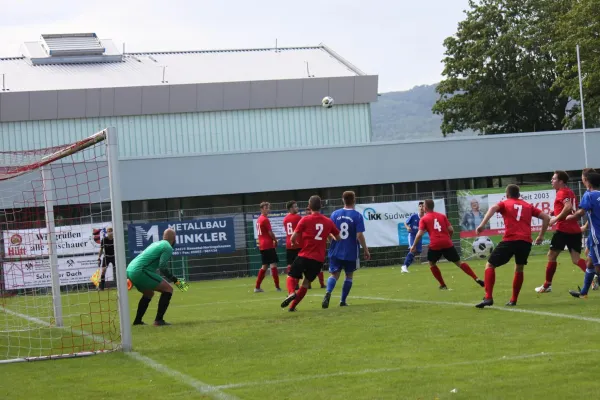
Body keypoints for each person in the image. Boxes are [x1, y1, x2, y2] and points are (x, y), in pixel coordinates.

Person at [474, 184, 550, 308]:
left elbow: (493, 208)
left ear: (507, 195)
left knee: (490, 264)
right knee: (519, 268)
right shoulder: (528, 205)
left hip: (510, 239)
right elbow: (546, 218)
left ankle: (488, 297)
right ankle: (513, 299)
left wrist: (482, 225)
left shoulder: (505, 203)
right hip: (525, 241)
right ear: (519, 195)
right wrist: (541, 236)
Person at [281, 196, 341, 312]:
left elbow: (293, 238)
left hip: (304, 255)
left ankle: (291, 292)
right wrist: (328, 236)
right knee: (306, 283)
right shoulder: (328, 221)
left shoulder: (304, 220)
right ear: (321, 206)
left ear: (309, 206)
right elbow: (337, 238)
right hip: (318, 259)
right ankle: (292, 307)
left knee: (291, 276)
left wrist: (295, 242)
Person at [410, 199, 484, 290]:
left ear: (425, 208)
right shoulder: (442, 216)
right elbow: (451, 229)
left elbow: (419, 234)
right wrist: (448, 239)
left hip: (435, 244)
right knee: (459, 263)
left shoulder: (424, 219)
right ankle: (476, 278)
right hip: (447, 243)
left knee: (432, 263)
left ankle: (443, 285)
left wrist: (413, 245)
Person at [535, 171, 587, 293]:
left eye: (554, 179)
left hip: (564, 229)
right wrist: (555, 213)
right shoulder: (569, 191)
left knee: (551, 256)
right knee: (576, 259)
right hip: (574, 230)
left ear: (561, 181)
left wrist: (555, 219)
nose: (551, 181)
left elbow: (568, 207)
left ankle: (547, 285)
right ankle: (594, 275)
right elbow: (569, 209)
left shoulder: (562, 192)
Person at [126, 228, 188, 326]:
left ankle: (137, 321)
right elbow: (162, 266)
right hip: (140, 271)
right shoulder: (167, 247)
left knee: (149, 293)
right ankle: (158, 320)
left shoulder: (156, 243)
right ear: (174, 239)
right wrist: (175, 280)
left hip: (130, 269)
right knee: (168, 289)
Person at [322, 191, 370, 308]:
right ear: (354, 200)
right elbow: (359, 235)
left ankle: (328, 293)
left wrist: (332, 242)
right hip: (351, 251)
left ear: (343, 200)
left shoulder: (334, 214)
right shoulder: (357, 216)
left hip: (336, 250)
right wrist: (366, 250)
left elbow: (328, 232)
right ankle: (342, 301)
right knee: (349, 276)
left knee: (334, 275)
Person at [566, 172, 600, 298]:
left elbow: (581, 212)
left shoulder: (589, 195)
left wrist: (569, 217)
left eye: (584, 180)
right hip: (595, 235)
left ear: (587, 182)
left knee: (598, 267)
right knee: (590, 263)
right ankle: (584, 292)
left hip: (598, 236)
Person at [254, 202, 281, 293]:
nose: (268, 209)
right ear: (261, 209)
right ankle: (277, 287)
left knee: (264, 266)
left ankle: (257, 287)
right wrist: (275, 240)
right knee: (273, 264)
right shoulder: (265, 219)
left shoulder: (259, 219)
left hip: (262, 245)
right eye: (266, 208)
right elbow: (270, 232)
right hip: (268, 244)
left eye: (268, 208)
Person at [283, 201, 303, 293]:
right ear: (291, 208)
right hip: (297, 243)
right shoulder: (298, 218)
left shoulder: (285, 219)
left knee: (290, 264)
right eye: (295, 206)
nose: (297, 208)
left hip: (288, 244)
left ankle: (291, 282)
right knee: (299, 264)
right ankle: (296, 283)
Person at [401, 201, 425, 273]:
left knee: (417, 251)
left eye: (422, 206)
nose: (421, 208)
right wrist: (407, 227)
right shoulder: (414, 216)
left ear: (425, 208)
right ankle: (404, 266)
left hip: (419, 237)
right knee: (413, 249)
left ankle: (405, 266)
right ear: (418, 207)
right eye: (420, 206)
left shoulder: (425, 218)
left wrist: (424, 232)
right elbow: (405, 223)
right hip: (412, 235)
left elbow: (427, 228)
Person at [97, 227, 115, 291]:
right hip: (106, 257)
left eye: (110, 231)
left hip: (114, 256)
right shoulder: (104, 239)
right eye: (108, 231)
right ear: (107, 232)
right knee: (103, 271)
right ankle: (101, 287)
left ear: (113, 231)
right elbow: (101, 249)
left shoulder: (115, 239)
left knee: (118, 271)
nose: (109, 232)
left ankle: (122, 285)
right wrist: (99, 257)